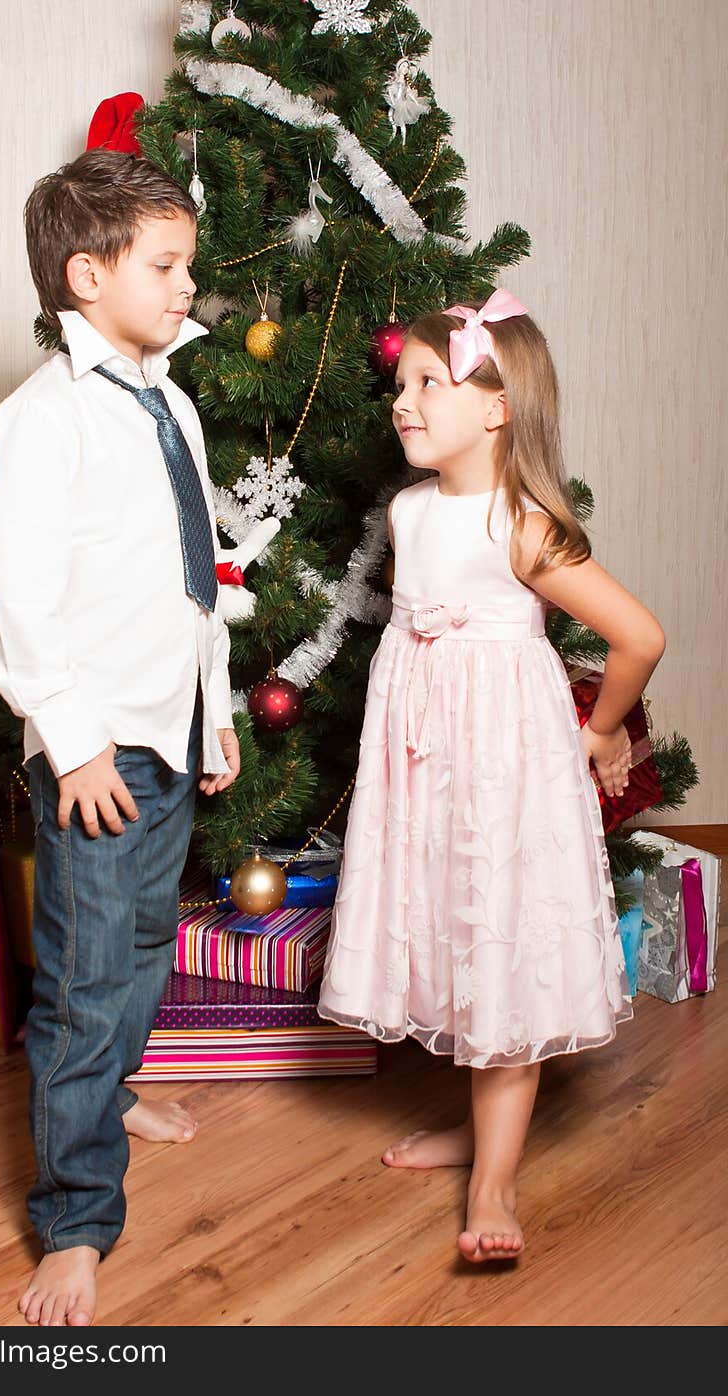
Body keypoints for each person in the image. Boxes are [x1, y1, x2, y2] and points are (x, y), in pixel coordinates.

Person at [318, 290, 665, 1263]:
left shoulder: (523, 526)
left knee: (497, 938)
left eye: (429, 381)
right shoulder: (409, 510)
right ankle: (479, 1127)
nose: (403, 400)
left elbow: (637, 636)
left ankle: (495, 1180)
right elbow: (417, 635)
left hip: (504, 768)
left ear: (497, 405)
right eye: (400, 383)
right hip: (425, 764)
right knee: (442, 927)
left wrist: (597, 733)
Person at [0, 149, 240, 1325]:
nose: (190, 286)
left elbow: (196, 582)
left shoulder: (169, 400)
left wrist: (213, 709)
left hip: (167, 721)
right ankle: (77, 1216)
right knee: (84, 976)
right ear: (88, 274)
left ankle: (113, 1086)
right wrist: (72, 744)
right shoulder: (42, 421)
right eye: (167, 266)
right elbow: (23, 607)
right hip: (96, 741)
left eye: (189, 264)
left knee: (140, 936)